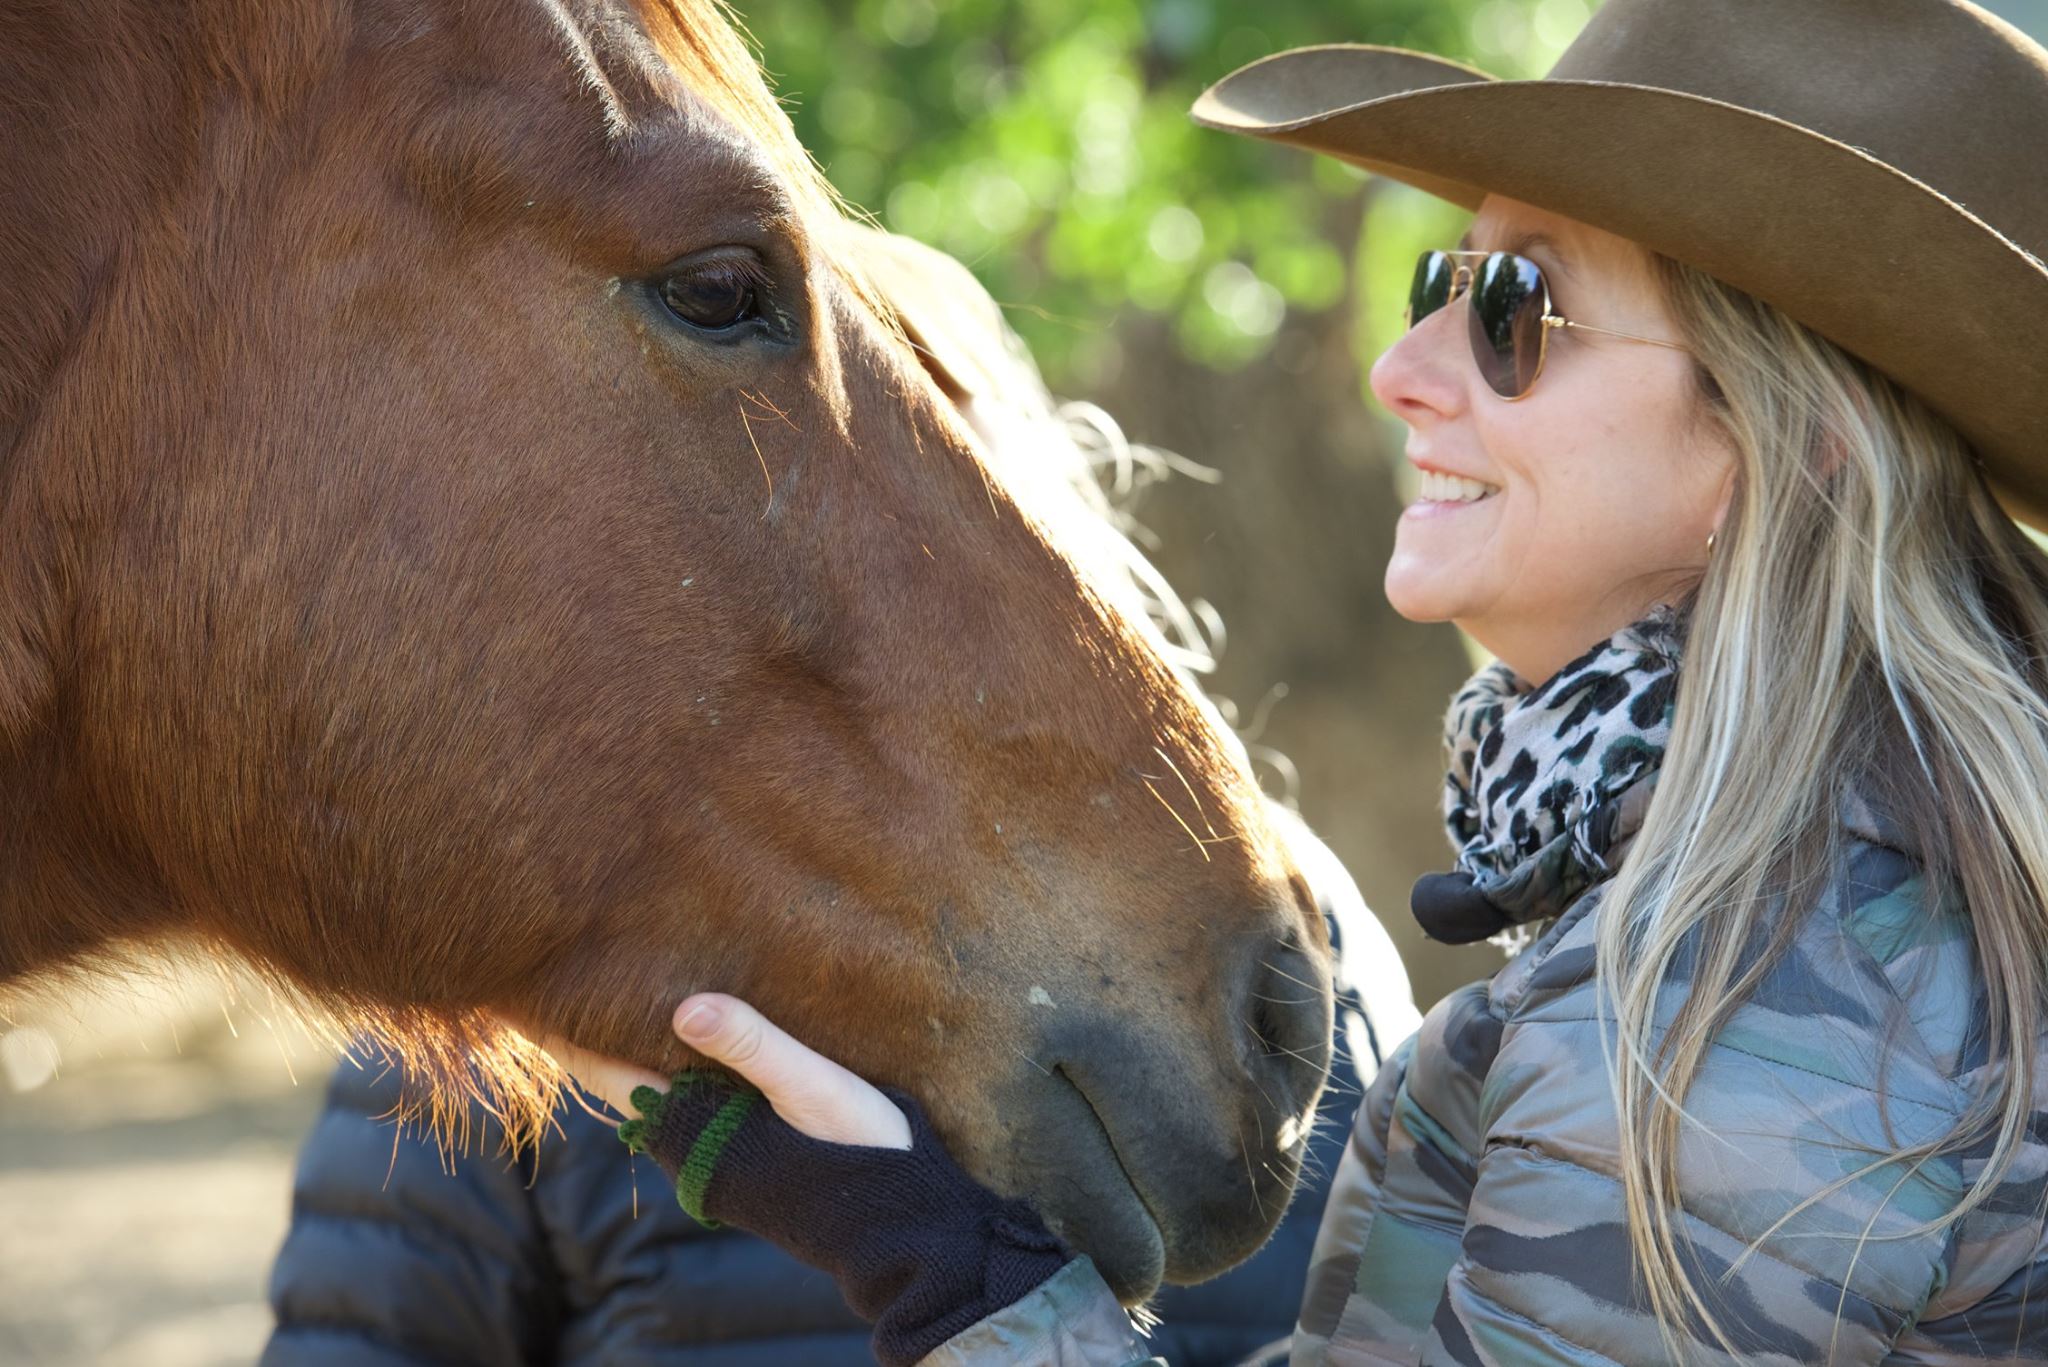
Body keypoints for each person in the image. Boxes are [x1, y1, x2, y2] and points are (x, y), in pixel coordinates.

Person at [557, 0, 2048, 1363]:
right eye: (1441, 279)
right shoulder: (1792, 907)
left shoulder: (1755, 988)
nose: (1407, 363)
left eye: (1518, 306)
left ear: (1795, 448)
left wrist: (963, 1283)